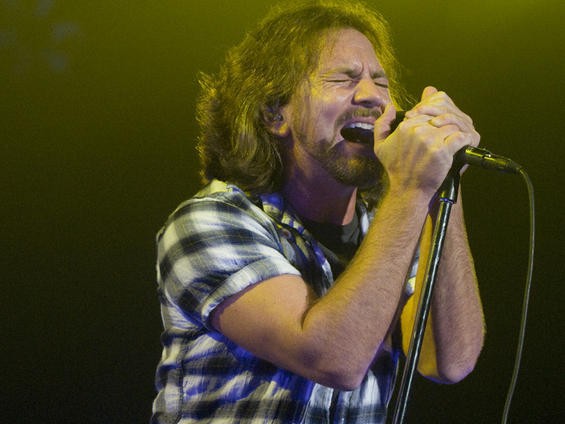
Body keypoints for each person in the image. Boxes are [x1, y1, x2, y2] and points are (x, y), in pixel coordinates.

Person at [151, 1, 485, 422]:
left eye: (380, 82)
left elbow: (449, 361)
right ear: (275, 114)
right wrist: (411, 188)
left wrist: (443, 184)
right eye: (343, 79)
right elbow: (332, 358)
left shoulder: (391, 227)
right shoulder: (210, 222)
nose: (372, 97)